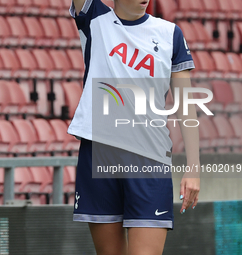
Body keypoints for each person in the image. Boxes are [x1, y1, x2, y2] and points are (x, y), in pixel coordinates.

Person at [68, 0, 201, 254]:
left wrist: (193, 168)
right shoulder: (94, 19)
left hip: (150, 159)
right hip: (99, 154)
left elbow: (186, 106)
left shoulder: (170, 33)